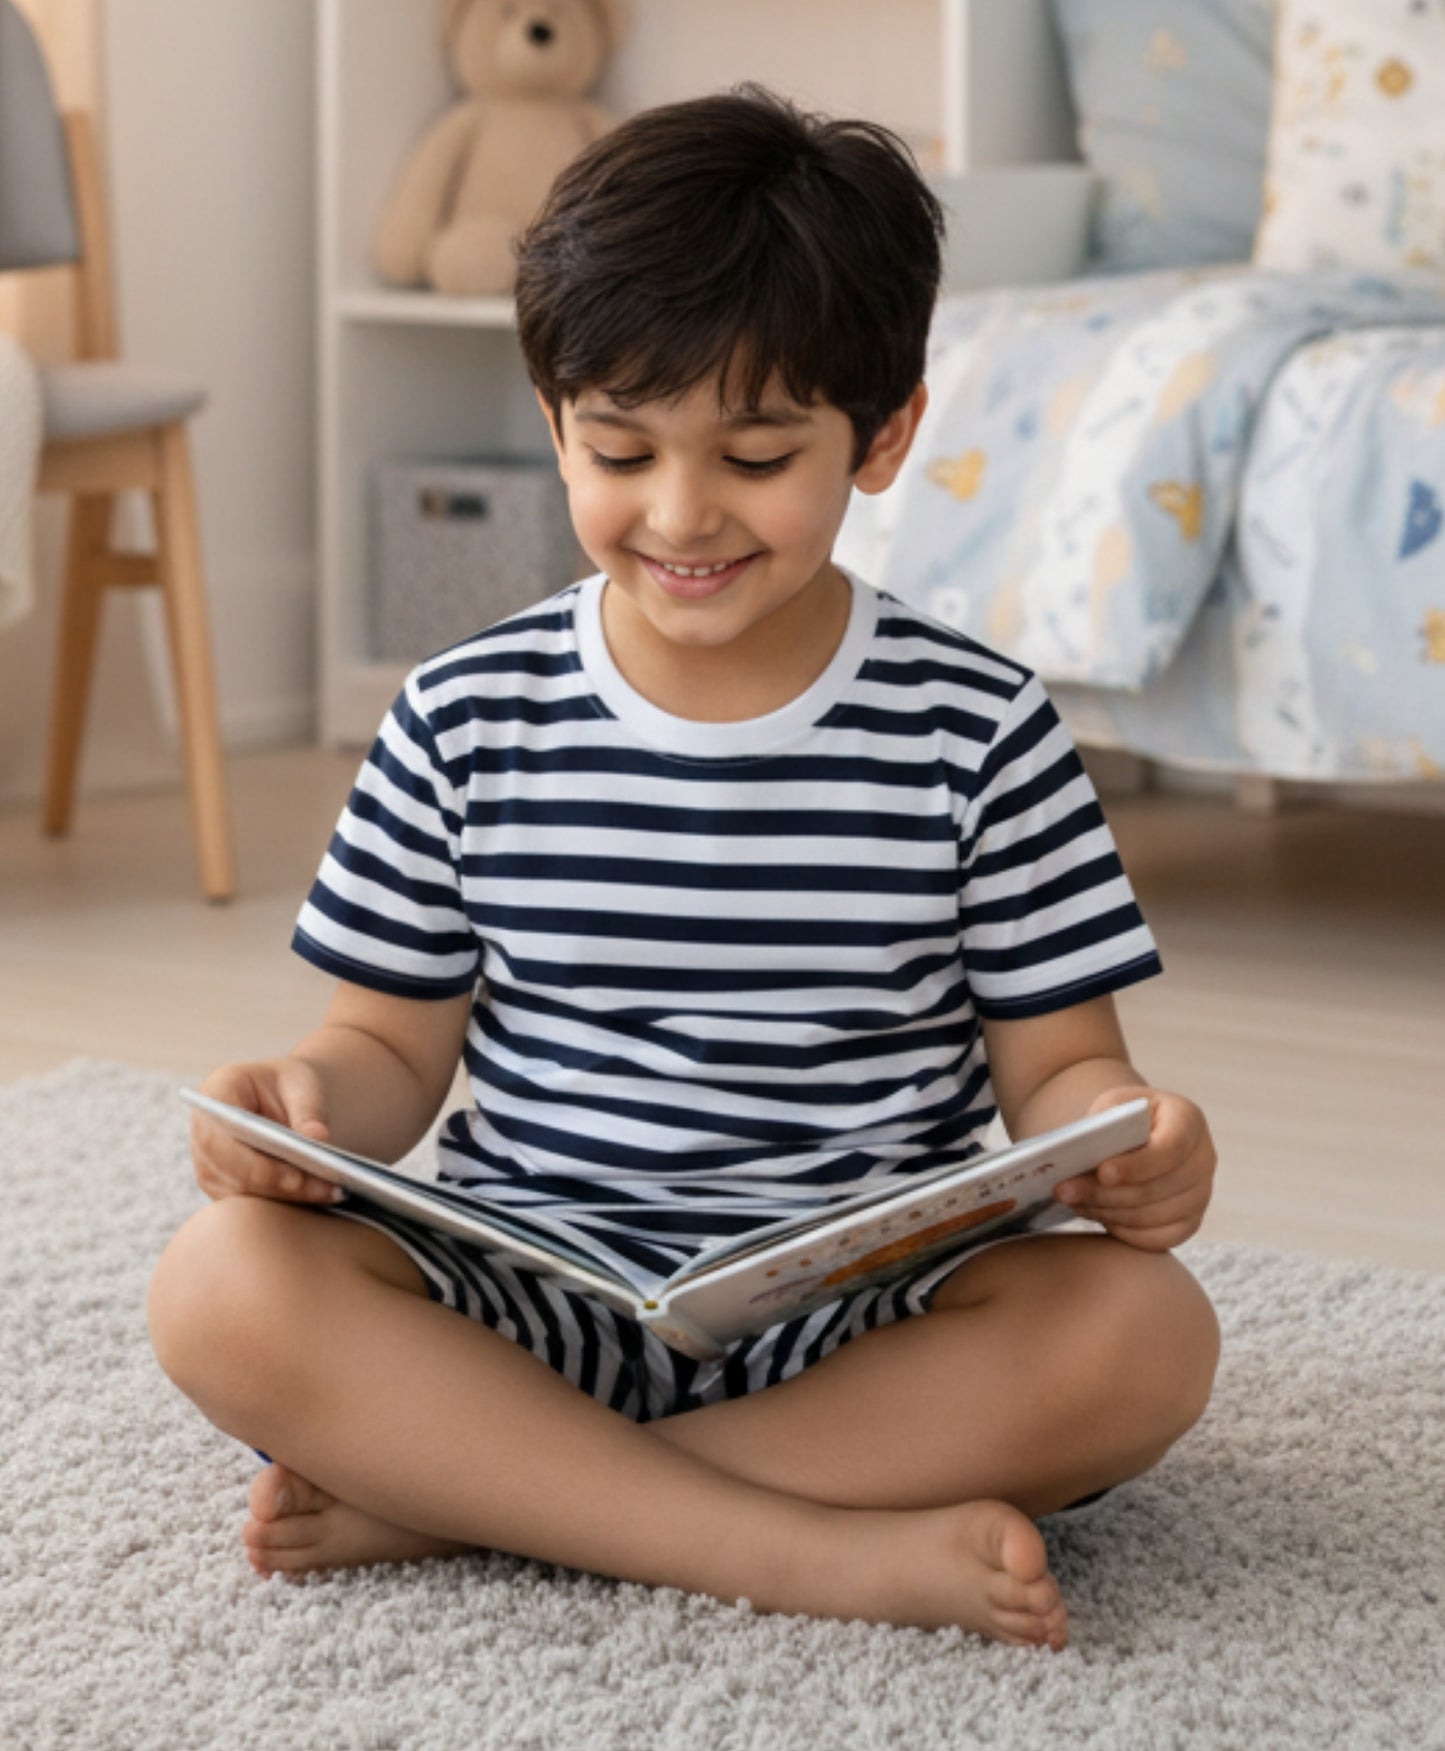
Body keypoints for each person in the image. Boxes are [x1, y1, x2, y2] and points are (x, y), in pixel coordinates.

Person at [147, 84, 1221, 1652]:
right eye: (620, 449)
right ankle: (799, 1550)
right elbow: (382, 1049)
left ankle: (475, 1501)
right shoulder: (463, 712)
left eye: (756, 453)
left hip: (864, 1317)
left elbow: (1061, 1078)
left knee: (1140, 1335)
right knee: (219, 1282)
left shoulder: (978, 727)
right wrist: (303, 1117)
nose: (680, 513)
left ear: (885, 432)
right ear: (553, 422)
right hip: (530, 1301)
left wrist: (1130, 1145)